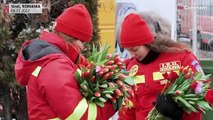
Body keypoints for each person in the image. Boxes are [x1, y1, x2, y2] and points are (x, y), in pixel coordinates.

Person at [14, 4, 116, 120]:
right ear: (70, 37)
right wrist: (113, 101)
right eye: (82, 41)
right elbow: (79, 115)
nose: (82, 47)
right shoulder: (55, 66)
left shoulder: (49, 59)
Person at [118, 13, 204, 120]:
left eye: (135, 49)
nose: (132, 55)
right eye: (128, 50)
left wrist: (179, 114)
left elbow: (201, 97)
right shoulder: (131, 67)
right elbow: (128, 110)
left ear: (148, 42)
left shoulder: (182, 58)